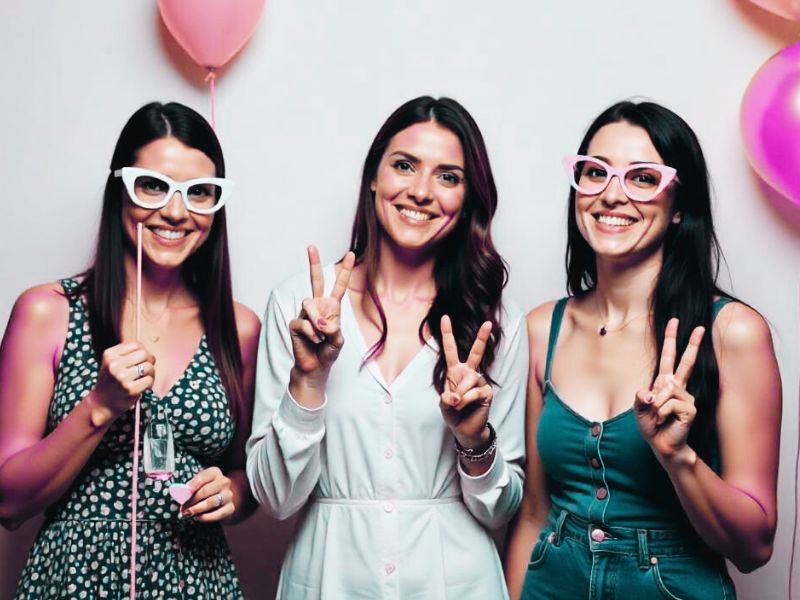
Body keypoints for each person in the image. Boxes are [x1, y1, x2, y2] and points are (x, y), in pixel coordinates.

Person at [247, 96, 527, 598]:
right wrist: (308, 382)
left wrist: (474, 440)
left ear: (468, 199)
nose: (421, 191)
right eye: (404, 166)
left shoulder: (493, 318)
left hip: (455, 584)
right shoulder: (299, 303)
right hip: (330, 580)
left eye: (448, 176)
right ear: (373, 177)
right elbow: (275, 499)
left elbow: (501, 510)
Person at [504, 100, 782, 599]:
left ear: (679, 206)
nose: (612, 196)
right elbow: (533, 514)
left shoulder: (731, 333)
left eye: (643, 178)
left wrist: (678, 456)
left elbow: (755, 546)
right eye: (595, 173)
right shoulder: (543, 328)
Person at [0, 102, 261, 598]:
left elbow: (248, 475)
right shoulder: (47, 311)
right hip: (75, 579)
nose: (176, 211)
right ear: (120, 188)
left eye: (199, 193)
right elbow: (8, 503)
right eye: (153, 185)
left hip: (197, 580)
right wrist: (100, 407)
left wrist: (234, 493)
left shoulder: (238, 327)